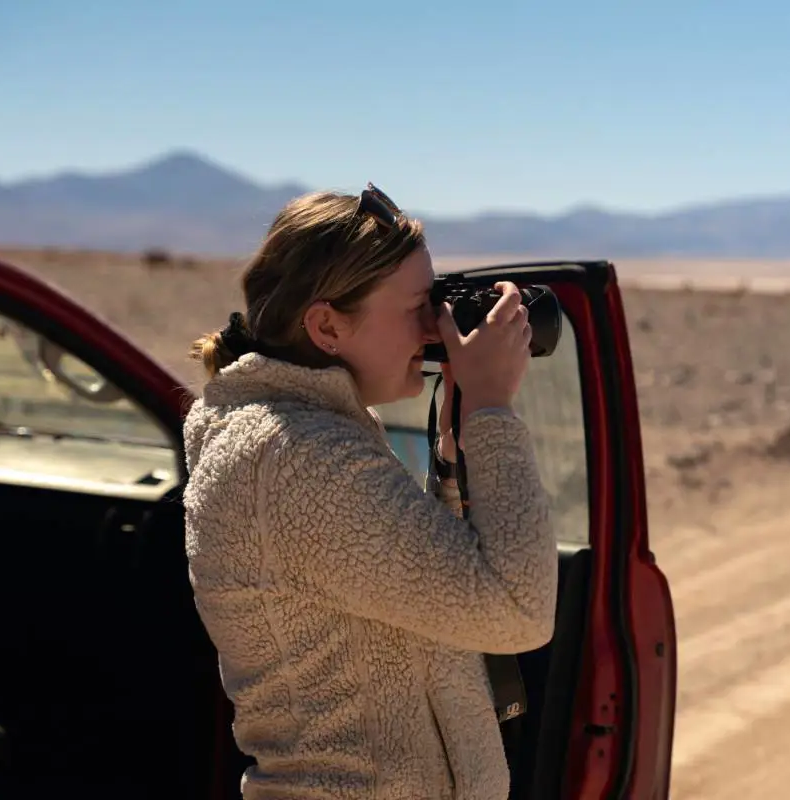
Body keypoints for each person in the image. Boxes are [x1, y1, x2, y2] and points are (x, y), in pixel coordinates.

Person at [182, 184, 558, 800]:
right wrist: (491, 410)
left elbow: (429, 595)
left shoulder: (305, 437)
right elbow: (515, 611)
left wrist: (455, 455)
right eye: (418, 306)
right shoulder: (295, 460)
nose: (437, 328)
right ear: (327, 325)